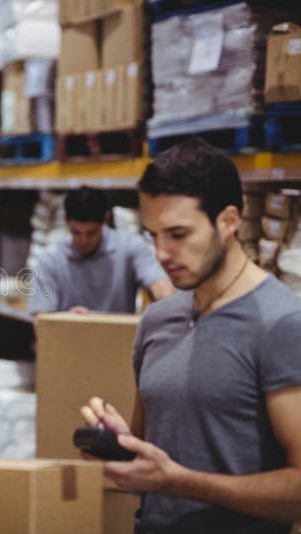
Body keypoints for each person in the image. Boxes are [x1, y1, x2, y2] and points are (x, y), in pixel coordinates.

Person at [81, 138, 301, 533]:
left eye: (178, 234)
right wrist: (123, 446)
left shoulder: (281, 323)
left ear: (229, 221)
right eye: (152, 236)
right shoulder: (157, 320)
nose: (161, 254)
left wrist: (178, 481)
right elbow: (156, 457)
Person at [29, 187, 173, 315]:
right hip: (67, 342)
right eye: (76, 232)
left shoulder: (131, 247)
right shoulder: (49, 259)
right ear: (66, 218)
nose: (84, 241)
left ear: (105, 219)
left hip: (120, 342)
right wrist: (66, 321)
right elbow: (41, 319)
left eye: (91, 233)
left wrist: (169, 303)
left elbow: (159, 284)